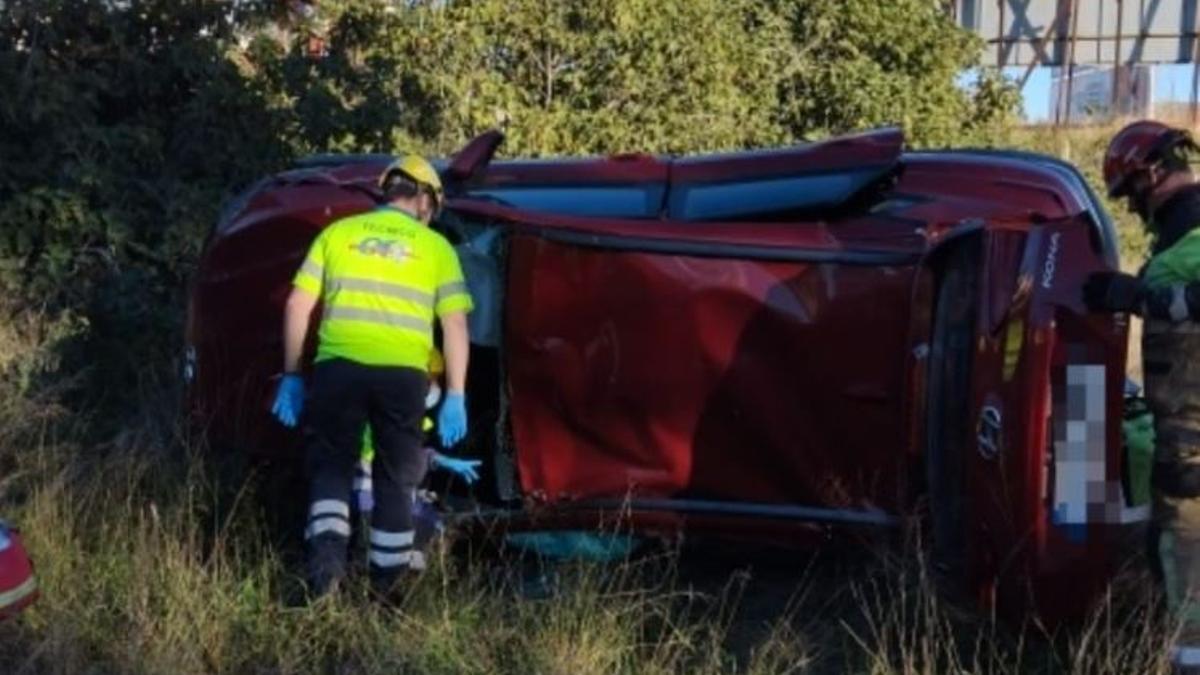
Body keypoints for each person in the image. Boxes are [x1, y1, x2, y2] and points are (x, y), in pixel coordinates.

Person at [270, 154, 474, 599]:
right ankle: (387, 589)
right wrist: (455, 392)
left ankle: (325, 576)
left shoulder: (337, 234)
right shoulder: (435, 248)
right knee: (396, 478)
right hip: (403, 378)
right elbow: (456, 325)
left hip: (337, 368)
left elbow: (296, 306)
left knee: (331, 469)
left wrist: (291, 375)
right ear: (423, 199)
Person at [1084, 119, 1200, 669]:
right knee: (1171, 537)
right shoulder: (1179, 234)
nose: (1131, 207)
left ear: (1152, 172)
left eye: (1130, 194)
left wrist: (1135, 297)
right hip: (1179, 426)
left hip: (1195, 433)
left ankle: (1191, 657)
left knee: (1187, 535)